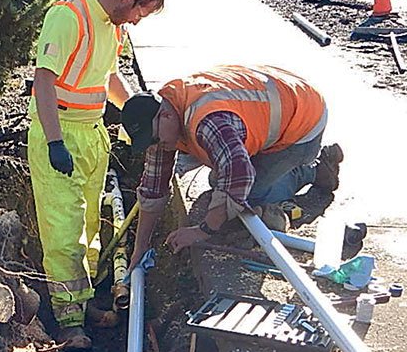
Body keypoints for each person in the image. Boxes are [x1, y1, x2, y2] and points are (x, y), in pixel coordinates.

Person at [28, 0, 165, 351]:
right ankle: (69, 323)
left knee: (88, 224)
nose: (139, 20)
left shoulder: (113, 25)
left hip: (92, 133)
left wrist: (138, 109)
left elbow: (109, 77)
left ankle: (82, 302)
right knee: (64, 231)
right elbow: (43, 81)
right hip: (61, 134)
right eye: (141, 12)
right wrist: (55, 141)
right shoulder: (68, 16)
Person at [121, 64, 343, 267]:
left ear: (166, 115)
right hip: (268, 107)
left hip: (303, 120)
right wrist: (140, 248)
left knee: (248, 194)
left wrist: (203, 230)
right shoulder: (165, 117)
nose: (156, 146)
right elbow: (153, 188)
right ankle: (293, 170)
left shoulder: (207, 122)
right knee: (220, 184)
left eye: (155, 140)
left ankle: (312, 169)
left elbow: (239, 174)